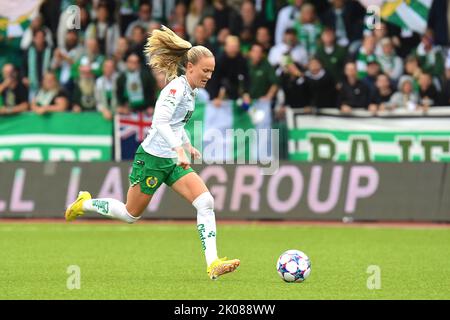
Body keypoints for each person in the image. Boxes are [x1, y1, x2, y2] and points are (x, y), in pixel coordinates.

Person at [65, 26, 240, 280]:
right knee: (129, 214)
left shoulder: (191, 93)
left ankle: (212, 263)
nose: (209, 76)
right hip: (152, 159)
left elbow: (177, 124)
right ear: (190, 67)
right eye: (205, 71)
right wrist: (179, 148)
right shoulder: (175, 90)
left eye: (211, 71)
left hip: (172, 159)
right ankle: (85, 203)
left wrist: (187, 144)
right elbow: (159, 122)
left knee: (205, 202)